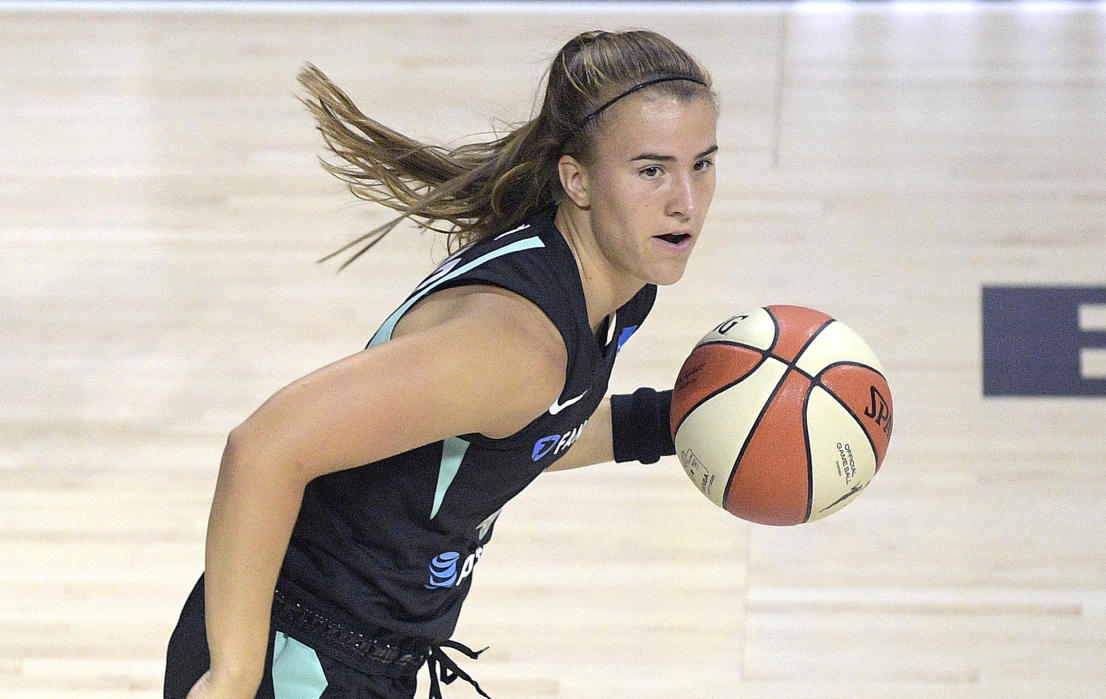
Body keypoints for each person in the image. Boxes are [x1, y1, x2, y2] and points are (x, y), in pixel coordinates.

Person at [164, 29, 718, 699]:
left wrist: (664, 422)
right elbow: (264, 447)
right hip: (293, 658)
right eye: (652, 170)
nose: (685, 201)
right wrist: (231, 677)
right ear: (577, 179)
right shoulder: (515, 347)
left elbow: (516, 438)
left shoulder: (621, 289)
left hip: (365, 655)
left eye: (702, 164)